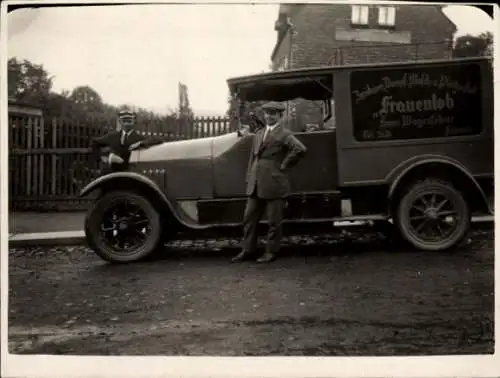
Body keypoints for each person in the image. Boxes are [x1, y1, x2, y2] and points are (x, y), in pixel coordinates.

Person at [232, 101, 307, 264]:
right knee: (249, 219)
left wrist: (284, 165)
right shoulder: (259, 133)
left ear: (280, 116)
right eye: (267, 113)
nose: (269, 116)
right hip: (256, 182)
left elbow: (300, 149)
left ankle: (271, 252)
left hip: (274, 182)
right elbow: (253, 157)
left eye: (273, 113)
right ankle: (247, 250)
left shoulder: (284, 134)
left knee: (274, 221)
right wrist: (249, 177)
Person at [91, 107, 146, 171]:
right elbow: (95, 143)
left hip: (133, 175)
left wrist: (141, 143)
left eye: (129, 119)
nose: (127, 122)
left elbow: (157, 143)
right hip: (114, 174)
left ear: (134, 121)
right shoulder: (112, 137)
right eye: (124, 119)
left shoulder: (140, 139)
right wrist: (106, 158)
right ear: (120, 121)